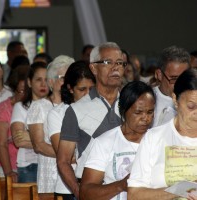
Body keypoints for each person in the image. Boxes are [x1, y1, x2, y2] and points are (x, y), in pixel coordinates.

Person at [57, 42, 126, 199]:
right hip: (93, 190)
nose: (116, 68)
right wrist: (79, 191)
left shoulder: (132, 106)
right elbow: (63, 160)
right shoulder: (76, 110)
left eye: (120, 63)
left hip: (126, 190)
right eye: (108, 62)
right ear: (93, 68)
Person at [128, 67, 197, 200]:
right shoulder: (154, 138)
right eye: (191, 106)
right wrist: (179, 190)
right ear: (175, 100)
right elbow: (134, 194)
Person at [79, 81, 156, 200]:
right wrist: (121, 185)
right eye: (138, 112)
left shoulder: (158, 140)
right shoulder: (105, 142)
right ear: (123, 110)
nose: (145, 118)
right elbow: (85, 193)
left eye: (150, 112)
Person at [47, 60, 95, 200]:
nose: (87, 95)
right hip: (69, 187)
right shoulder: (58, 114)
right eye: (82, 89)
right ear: (70, 88)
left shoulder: (100, 110)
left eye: (91, 89)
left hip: (98, 185)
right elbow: (67, 157)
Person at [27, 55, 74, 196]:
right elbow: (39, 145)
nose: (68, 82)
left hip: (75, 173)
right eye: (63, 78)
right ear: (51, 81)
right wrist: (69, 157)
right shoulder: (39, 107)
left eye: (70, 78)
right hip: (50, 173)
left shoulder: (77, 106)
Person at [10, 62, 49, 183]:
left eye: (47, 79)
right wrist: (49, 139)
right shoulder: (21, 107)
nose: (43, 84)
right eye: (38, 79)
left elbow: (64, 143)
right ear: (29, 82)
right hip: (29, 166)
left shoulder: (56, 107)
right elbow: (19, 140)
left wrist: (31, 136)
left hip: (52, 165)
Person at [0, 65, 28, 181]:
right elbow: (1, 143)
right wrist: (9, 172)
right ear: (14, 89)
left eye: (28, 90)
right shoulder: (3, 109)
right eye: (21, 90)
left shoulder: (37, 106)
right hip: (6, 165)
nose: (25, 94)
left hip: (29, 164)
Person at [152, 46, 190, 127]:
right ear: (159, 75)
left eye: (184, 78)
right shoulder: (144, 99)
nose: (180, 84)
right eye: (174, 79)